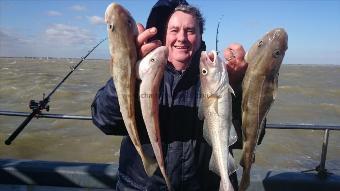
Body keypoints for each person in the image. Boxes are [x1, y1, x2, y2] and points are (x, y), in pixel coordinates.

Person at [91, 0, 248, 190]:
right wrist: (128, 73)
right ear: (163, 35)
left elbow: (244, 137)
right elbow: (104, 121)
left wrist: (238, 87)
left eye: (190, 31)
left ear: (200, 37)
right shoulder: (139, 72)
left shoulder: (217, 77)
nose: (181, 37)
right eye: (174, 30)